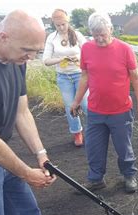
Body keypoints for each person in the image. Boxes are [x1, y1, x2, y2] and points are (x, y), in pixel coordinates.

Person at [0, 10, 59, 215]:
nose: (31, 57)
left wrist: (41, 154)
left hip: (1, 155)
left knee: (27, 214)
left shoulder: (17, 60)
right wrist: (26, 172)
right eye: (28, 49)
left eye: (36, 51)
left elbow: (21, 111)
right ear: (3, 37)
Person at [70, 12, 138, 193]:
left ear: (110, 30)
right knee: (94, 147)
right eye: (96, 35)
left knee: (123, 147)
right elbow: (85, 76)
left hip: (120, 110)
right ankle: (96, 179)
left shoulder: (125, 49)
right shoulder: (87, 48)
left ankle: (129, 175)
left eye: (103, 34)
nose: (100, 39)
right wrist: (76, 101)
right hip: (95, 110)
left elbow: (135, 77)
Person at [43, 9, 88, 147]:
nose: (61, 28)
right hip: (63, 77)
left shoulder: (77, 35)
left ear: (67, 21)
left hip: (80, 75)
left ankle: (95, 131)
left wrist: (78, 59)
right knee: (70, 107)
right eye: (58, 25)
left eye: (63, 24)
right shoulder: (51, 38)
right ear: (54, 25)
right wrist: (61, 59)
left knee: (86, 104)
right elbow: (46, 60)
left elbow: (88, 51)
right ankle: (77, 133)